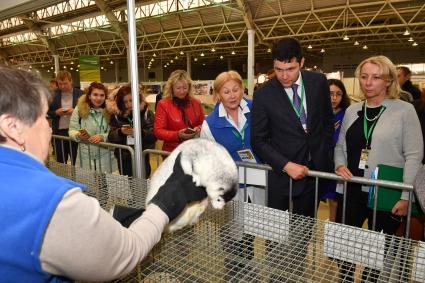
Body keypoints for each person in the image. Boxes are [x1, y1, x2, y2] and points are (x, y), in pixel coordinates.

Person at [0, 65, 207, 282]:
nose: (50, 129)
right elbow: (123, 254)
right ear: (12, 126)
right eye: (43, 118)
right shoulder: (53, 201)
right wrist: (163, 206)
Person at [334, 56, 423, 281]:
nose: (368, 82)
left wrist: (406, 196)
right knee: (345, 247)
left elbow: (414, 155)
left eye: (376, 77)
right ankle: (344, 278)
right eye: (364, 77)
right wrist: (340, 164)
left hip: (386, 194)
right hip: (352, 189)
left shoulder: (404, 110)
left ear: (388, 81)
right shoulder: (352, 110)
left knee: (377, 252)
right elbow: (340, 147)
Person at [250, 37, 334, 277]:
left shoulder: (317, 82)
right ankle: (276, 276)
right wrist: (286, 165)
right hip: (280, 176)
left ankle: (296, 273)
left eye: (290, 69)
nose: (284, 75)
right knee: (276, 233)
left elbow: (326, 121)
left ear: (302, 63)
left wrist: (323, 151)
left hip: (312, 173)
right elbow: (259, 140)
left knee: (303, 230)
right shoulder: (264, 94)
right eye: (278, 69)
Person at [201, 70, 264, 205]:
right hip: (231, 186)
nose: (232, 96)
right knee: (236, 224)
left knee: (262, 221)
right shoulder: (210, 124)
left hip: (261, 181)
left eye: (235, 90)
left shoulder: (257, 110)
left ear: (242, 90)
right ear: (218, 94)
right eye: (226, 92)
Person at [108, 84, 156, 177]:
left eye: (131, 100)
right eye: (125, 102)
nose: (129, 104)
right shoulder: (116, 116)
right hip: (123, 158)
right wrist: (121, 132)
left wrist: (140, 133)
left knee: (143, 183)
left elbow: (153, 135)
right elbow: (110, 137)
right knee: (131, 185)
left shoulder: (147, 113)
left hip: (142, 156)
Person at [154, 69, 205, 152]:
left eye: (185, 88)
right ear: (171, 88)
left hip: (195, 150)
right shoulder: (163, 104)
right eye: (178, 88)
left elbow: (203, 124)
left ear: (189, 87)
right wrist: (177, 135)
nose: (182, 91)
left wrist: (199, 128)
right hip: (172, 152)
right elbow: (158, 131)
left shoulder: (196, 103)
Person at [321, 79, 351, 222]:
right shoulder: (318, 113)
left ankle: (332, 232)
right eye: (330, 94)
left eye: (338, 94)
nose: (334, 98)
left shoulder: (347, 114)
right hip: (321, 162)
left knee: (335, 201)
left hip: (339, 162)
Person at [68, 82, 114, 172]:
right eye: (95, 94)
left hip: (106, 155)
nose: (98, 98)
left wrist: (103, 137)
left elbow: (115, 132)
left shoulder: (111, 110)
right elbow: (72, 130)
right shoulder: (79, 109)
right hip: (85, 155)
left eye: (102, 95)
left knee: (106, 184)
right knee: (88, 183)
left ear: (105, 97)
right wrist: (78, 135)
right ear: (89, 96)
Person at [47, 70, 83, 165]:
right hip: (59, 134)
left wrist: (75, 112)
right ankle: (62, 180)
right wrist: (56, 112)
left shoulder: (81, 94)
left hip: (76, 132)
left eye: (65, 83)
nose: (62, 86)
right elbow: (47, 112)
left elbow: (86, 111)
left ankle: (76, 180)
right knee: (60, 162)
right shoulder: (52, 94)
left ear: (71, 81)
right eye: (60, 84)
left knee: (77, 162)